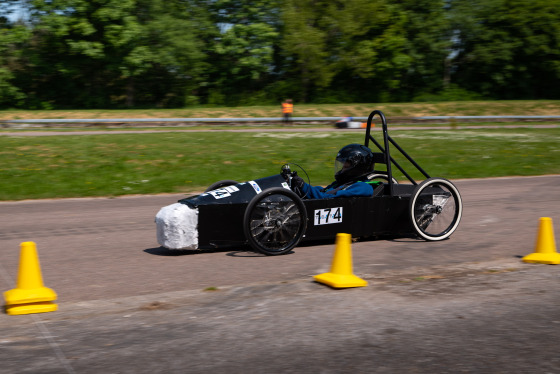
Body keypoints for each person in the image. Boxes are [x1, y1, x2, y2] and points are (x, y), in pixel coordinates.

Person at [288, 144, 377, 199]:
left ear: (358, 168)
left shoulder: (363, 187)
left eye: (345, 166)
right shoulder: (342, 183)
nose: (342, 169)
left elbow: (327, 198)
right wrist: (301, 185)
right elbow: (323, 191)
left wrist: (303, 186)